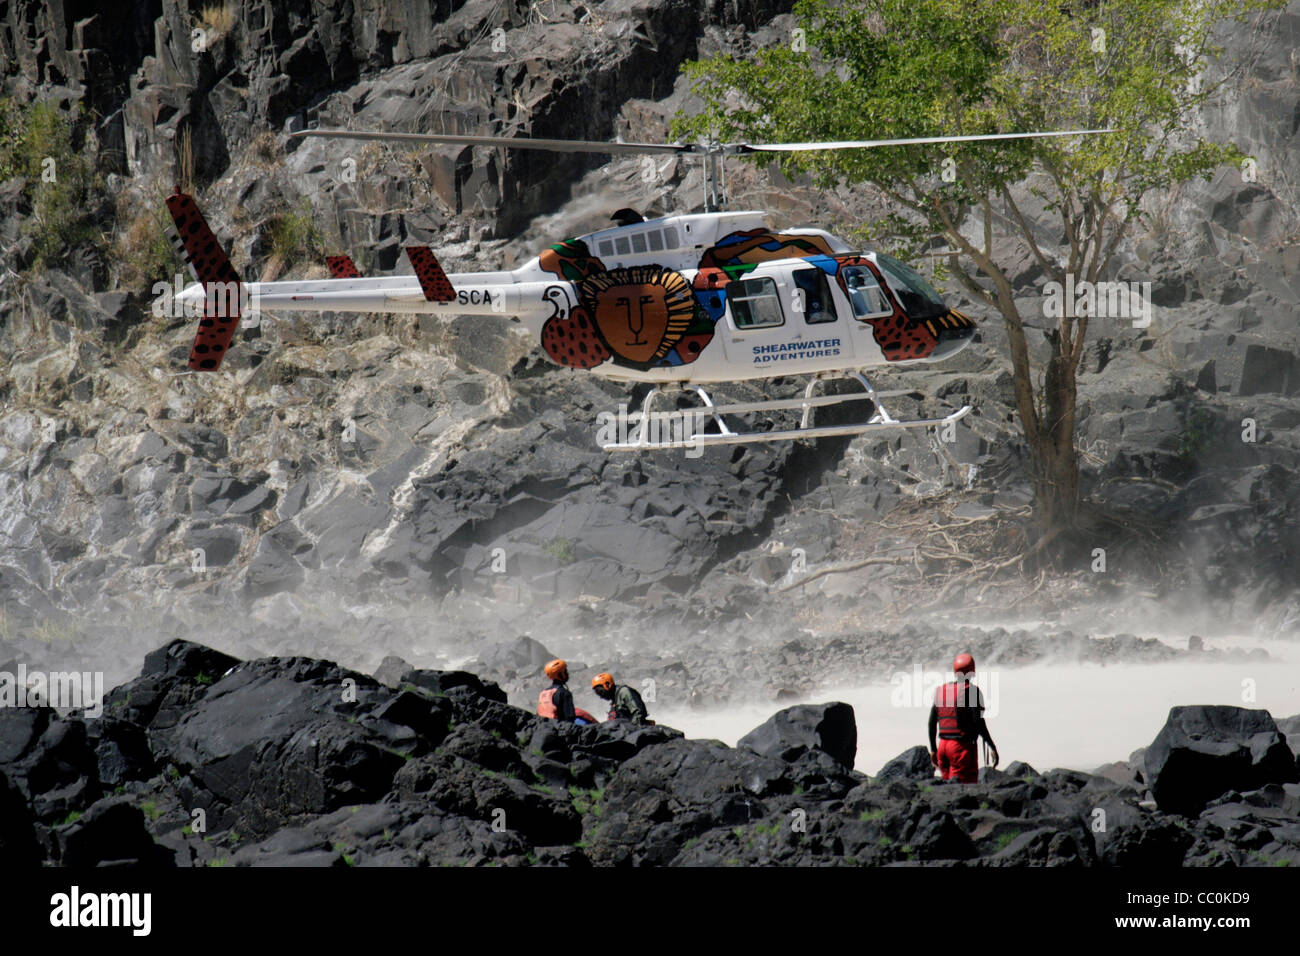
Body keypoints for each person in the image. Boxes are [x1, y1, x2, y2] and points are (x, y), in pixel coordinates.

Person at [928, 653, 998, 783]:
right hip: (960, 749)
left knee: (947, 790)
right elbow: (978, 723)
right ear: (972, 672)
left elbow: (932, 722)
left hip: (942, 747)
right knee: (963, 789)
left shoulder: (941, 691)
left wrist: (933, 750)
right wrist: (991, 746)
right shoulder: (971, 691)